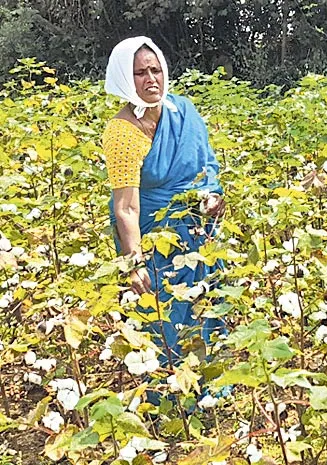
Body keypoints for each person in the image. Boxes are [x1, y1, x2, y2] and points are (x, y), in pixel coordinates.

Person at [102, 36, 226, 369]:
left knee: (203, 307)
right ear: (126, 78)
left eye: (155, 70)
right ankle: (166, 403)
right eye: (140, 72)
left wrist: (212, 195)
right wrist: (135, 262)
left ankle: (206, 391)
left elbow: (207, 165)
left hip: (196, 230)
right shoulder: (122, 132)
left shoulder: (182, 111)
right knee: (162, 317)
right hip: (154, 241)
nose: (151, 79)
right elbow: (126, 207)